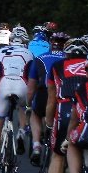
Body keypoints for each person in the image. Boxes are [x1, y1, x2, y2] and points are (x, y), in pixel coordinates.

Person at [43, 37, 88, 173]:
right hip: (87, 112)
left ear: (66, 53)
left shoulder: (57, 66)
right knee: (83, 147)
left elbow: (51, 99)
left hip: (65, 110)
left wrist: (48, 123)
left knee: (58, 155)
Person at [0, 25, 32, 173]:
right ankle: (21, 132)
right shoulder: (30, 54)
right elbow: (34, 80)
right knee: (23, 107)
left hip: (4, 85)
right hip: (22, 86)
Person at [28, 30, 67, 165]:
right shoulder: (69, 59)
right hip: (64, 95)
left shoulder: (40, 58)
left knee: (35, 114)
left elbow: (31, 86)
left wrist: (28, 103)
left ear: (51, 43)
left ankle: (36, 145)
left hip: (43, 92)